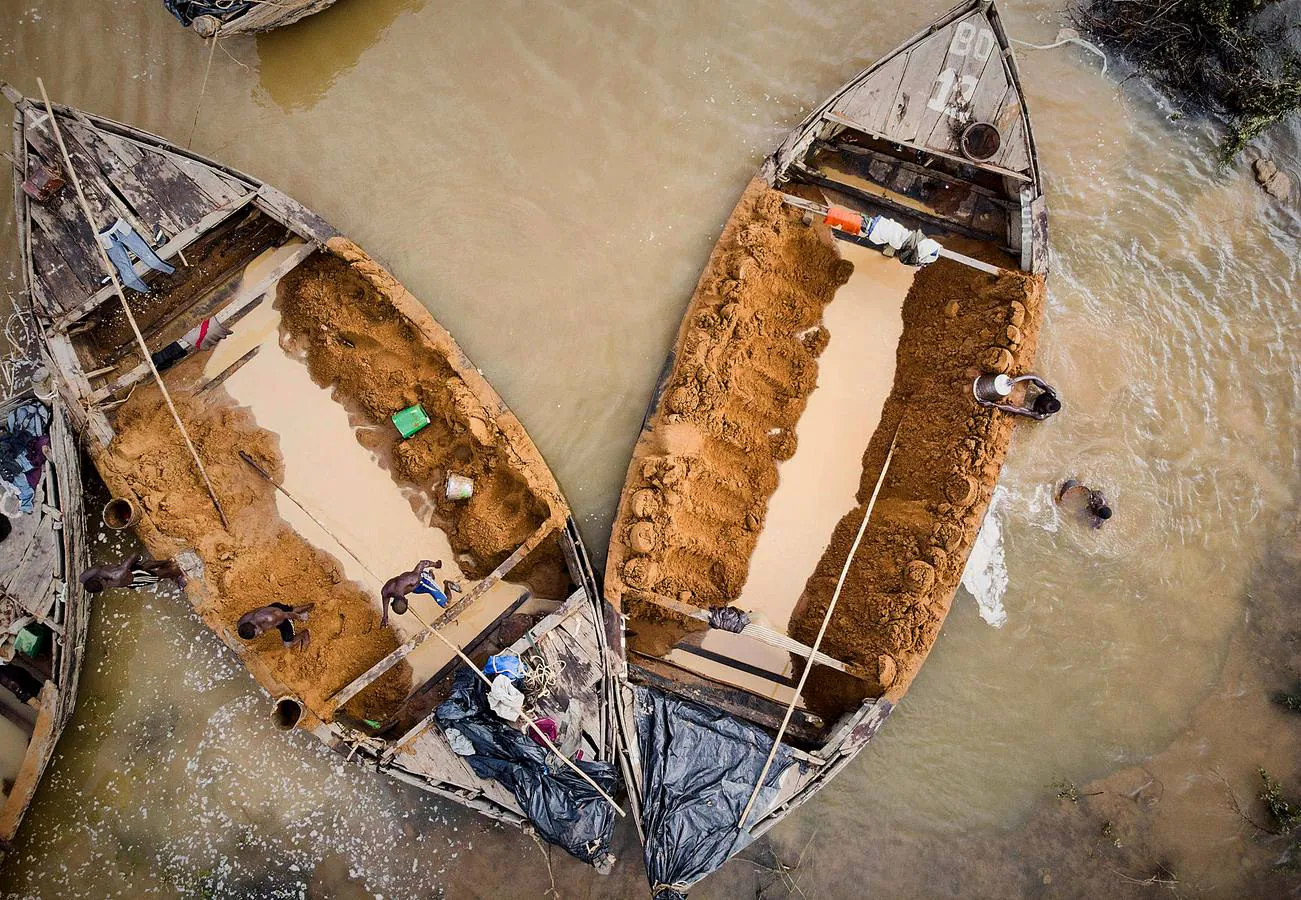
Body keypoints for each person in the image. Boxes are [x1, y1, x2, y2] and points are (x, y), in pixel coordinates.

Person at [380, 560, 463, 627]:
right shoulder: (385, 591)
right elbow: (385, 599)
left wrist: (436, 564)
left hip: (424, 581)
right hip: (415, 588)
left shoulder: (410, 579)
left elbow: (422, 563)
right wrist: (385, 616)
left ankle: (447, 584)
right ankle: (431, 575)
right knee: (428, 581)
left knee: (446, 604)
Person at [79, 552, 186, 593]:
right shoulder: (89, 576)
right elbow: (82, 579)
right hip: (130, 575)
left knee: (157, 576)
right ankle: (167, 562)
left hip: (135, 577)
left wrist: (137, 558)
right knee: (146, 565)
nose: (106, 585)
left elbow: (133, 555)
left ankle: (178, 572)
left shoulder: (116, 575)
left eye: (104, 584)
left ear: (100, 579)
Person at [236, 603, 314, 650]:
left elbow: (286, 615)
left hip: (281, 618)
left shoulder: (270, 618)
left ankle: (304, 634)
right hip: (271, 609)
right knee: (290, 609)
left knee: (288, 645)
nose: (260, 634)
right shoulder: (241, 623)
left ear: (255, 627)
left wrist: (300, 617)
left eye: (257, 634)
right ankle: (308, 606)